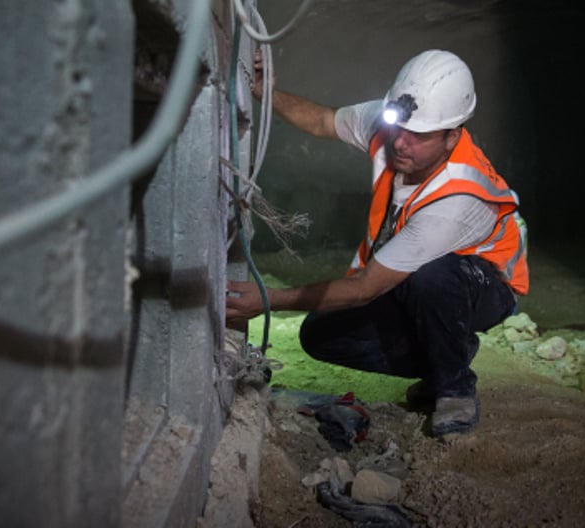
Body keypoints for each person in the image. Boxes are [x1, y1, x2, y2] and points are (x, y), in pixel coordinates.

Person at [225, 49, 527, 436]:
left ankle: (454, 387)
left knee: (433, 277)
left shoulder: (456, 200)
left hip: (485, 285)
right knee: (321, 335)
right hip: (419, 277)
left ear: (452, 136)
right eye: (398, 126)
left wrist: (267, 300)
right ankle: (446, 351)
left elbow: (366, 289)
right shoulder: (398, 125)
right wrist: (267, 93)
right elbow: (322, 120)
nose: (401, 142)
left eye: (419, 136)